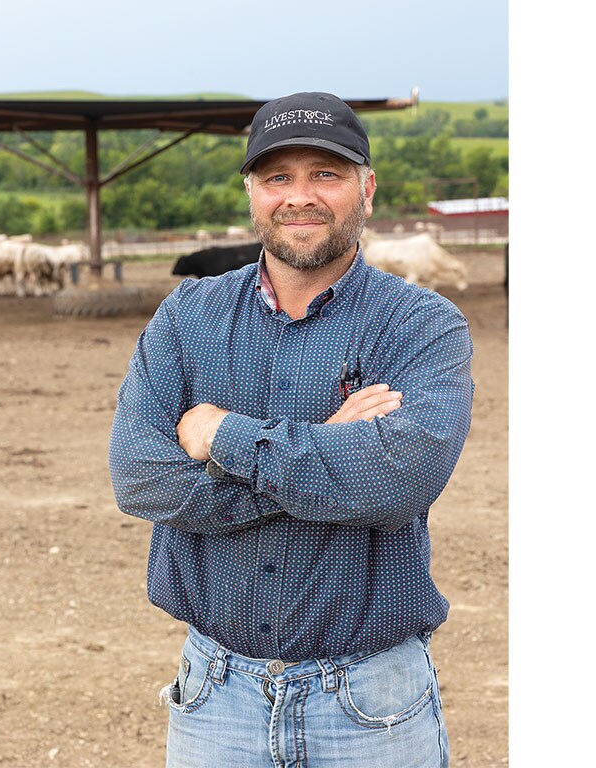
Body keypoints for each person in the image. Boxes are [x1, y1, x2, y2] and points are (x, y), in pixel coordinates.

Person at [108, 91, 474, 767]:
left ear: (366, 188)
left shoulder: (423, 326)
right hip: (217, 698)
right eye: (278, 177)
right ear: (251, 192)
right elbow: (139, 478)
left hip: (371, 705)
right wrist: (327, 443)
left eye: (324, 174)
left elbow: (394, 482)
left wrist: (225, 438)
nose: (299, 196)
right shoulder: (187, 317)